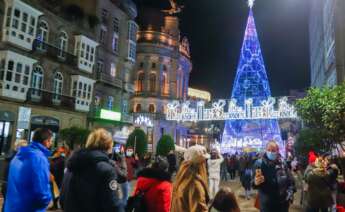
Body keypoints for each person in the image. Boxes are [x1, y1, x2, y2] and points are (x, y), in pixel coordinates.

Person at [61, 128, 122, 212]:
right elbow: (112, 204)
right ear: (108, 146)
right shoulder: (107, 170)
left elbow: (63, 197)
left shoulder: (72, 163)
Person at [4, 129, 52, 212]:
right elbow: (41, 191)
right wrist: (48, 201)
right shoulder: (39, 158)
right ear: (46, 141)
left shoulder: (18, 155)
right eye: (50, 141)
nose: (51, 143)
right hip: (30, 208)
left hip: (12, 207)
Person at [253, 141, 295, 212]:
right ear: (265, 150)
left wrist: (290, 194)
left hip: (282, 205)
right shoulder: (259, 164)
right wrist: (255, 182)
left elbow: (291, 181)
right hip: (267, 206)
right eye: (268, 150)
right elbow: (253, 183)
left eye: (273, 150)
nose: (270, 152)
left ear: (277, 151)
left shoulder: (283, 163)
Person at [171, 145, 210, 212]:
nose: (205, 165)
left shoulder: (184, 177)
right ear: (200, 164)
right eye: (204, 162)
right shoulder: (195, 185)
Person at [1, 139, 28, 211]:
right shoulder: (18, 158)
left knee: (7, 204)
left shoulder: (9, 156)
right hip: (13, 185)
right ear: (20, 148)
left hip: (6, 183)